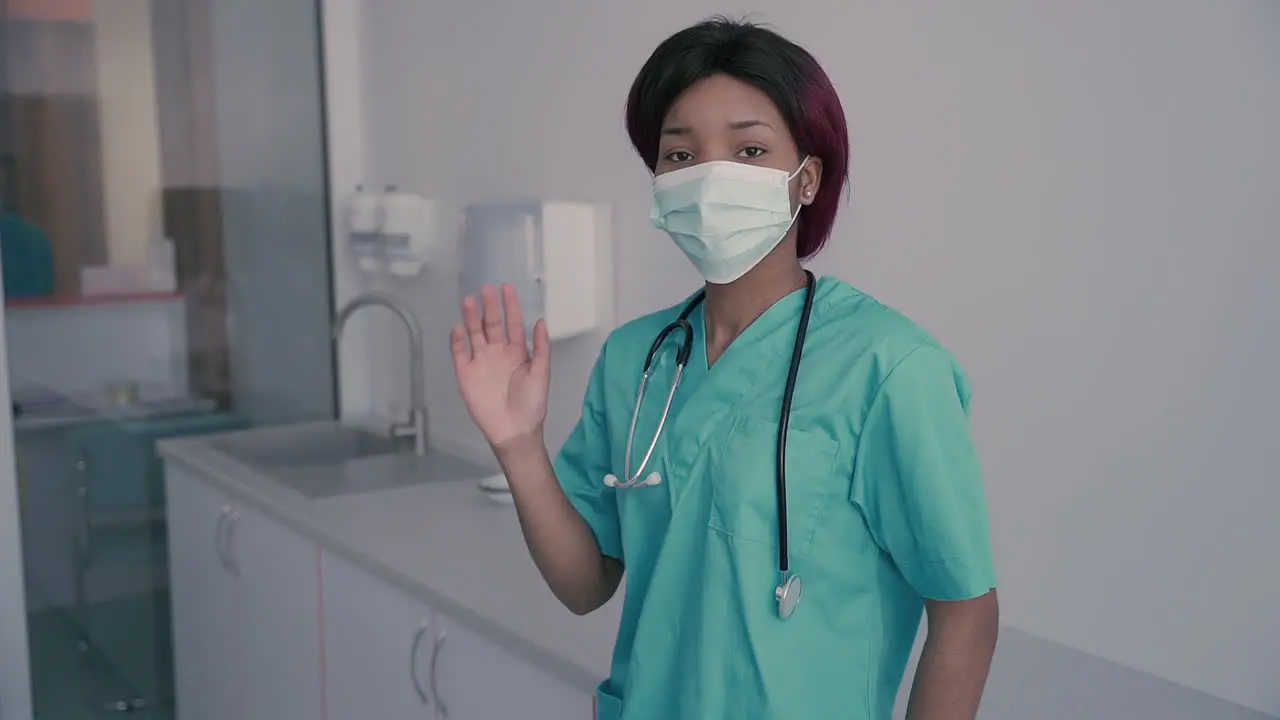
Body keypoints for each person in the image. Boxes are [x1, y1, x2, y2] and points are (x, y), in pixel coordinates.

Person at [451, 17, 998, 720]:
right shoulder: (636, 360)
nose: (710, 177)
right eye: (680, 155)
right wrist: (517, 445)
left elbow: (965, 612)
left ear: (808, 178)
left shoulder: (889, 367)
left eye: (749, 149)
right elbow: (586, 584)